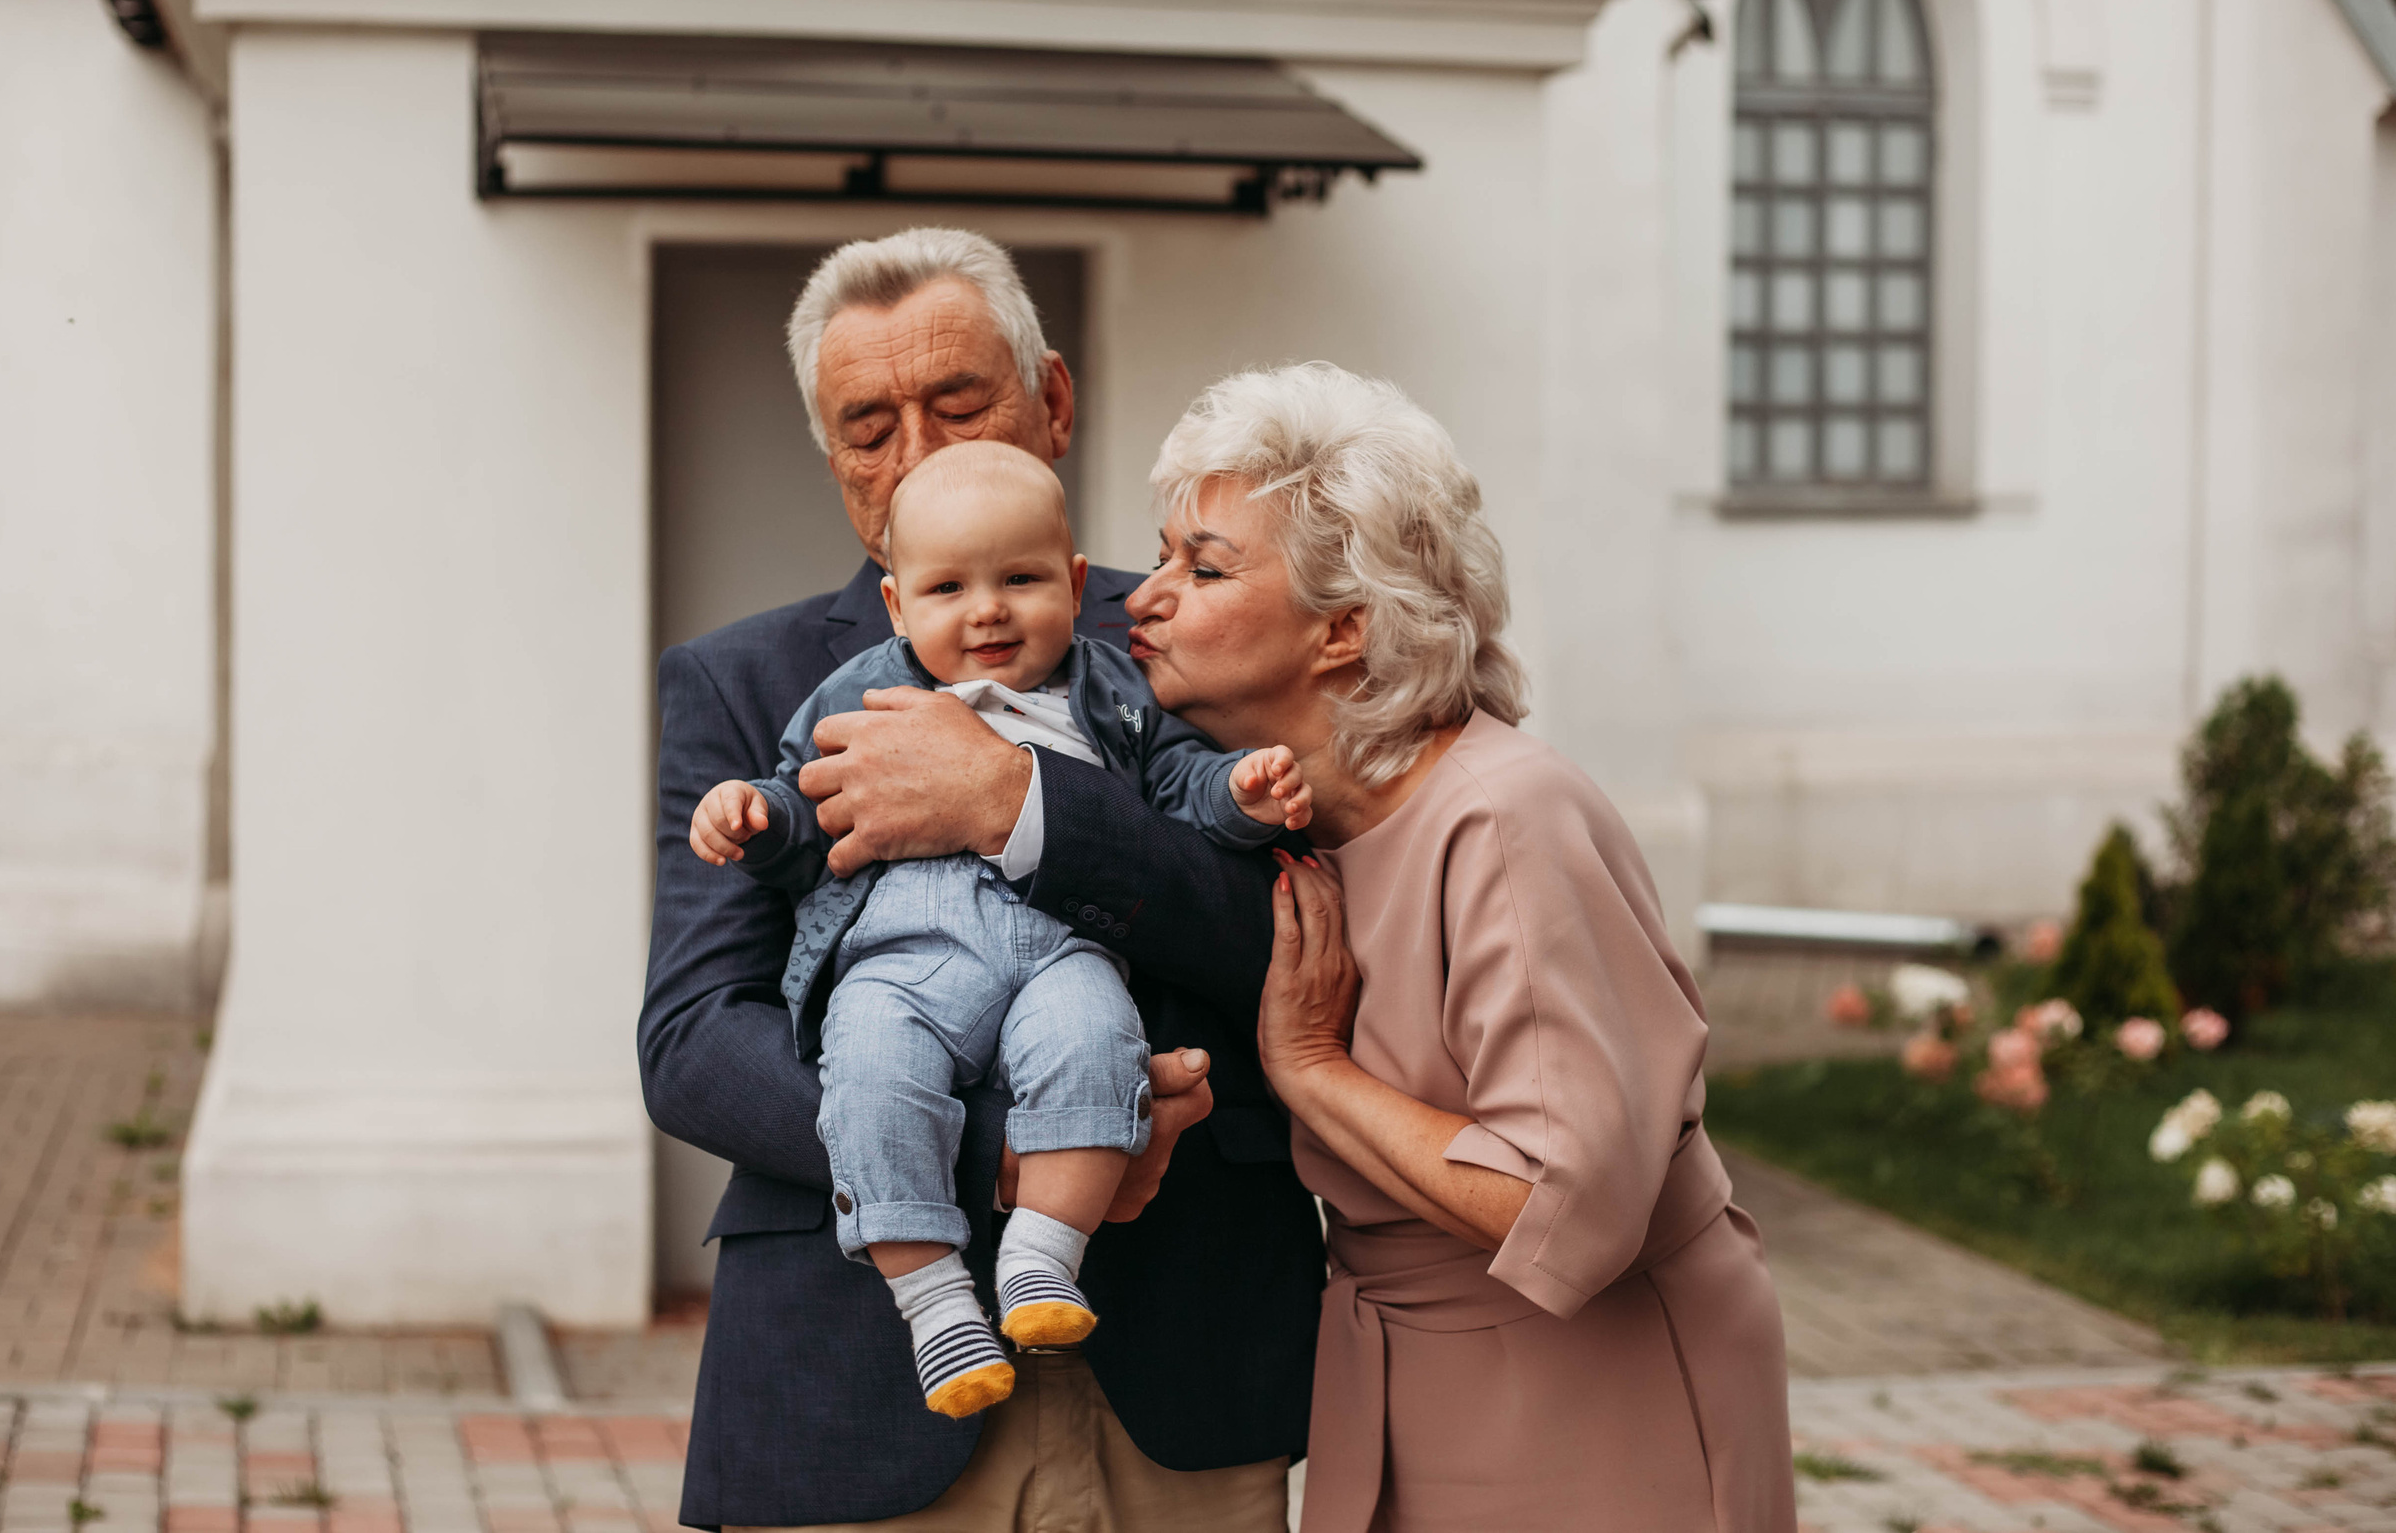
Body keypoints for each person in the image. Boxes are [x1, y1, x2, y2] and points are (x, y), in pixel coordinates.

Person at [638, 228, 1322, 1533]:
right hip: (856, 1375)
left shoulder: (1181, 634)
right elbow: (692, 1042)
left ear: (1051, 401)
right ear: (833, 458)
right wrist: (1013, 1151)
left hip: (1185, 1353)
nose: (918, 455)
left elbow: (1286, 936)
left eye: (960, 404)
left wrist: (1018, 804)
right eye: (868, 428)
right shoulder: (744, 681)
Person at [1125, 361, 1797, 1533]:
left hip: (1597, 1384)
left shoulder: (1504, 818)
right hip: (1394, 1367)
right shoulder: (1281, 820)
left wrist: (1312, 1071)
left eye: (1204, 567)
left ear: (1342, 629)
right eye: (1162, 556)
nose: (1145, 596)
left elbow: (1559, 1198)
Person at [690, 441, 1310, 1418]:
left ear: (1074, 585)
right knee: (869, 1077)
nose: (987, 610)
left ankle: (1042, 1261)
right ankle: (934, 1302)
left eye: (1020, 580)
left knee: (1097, 1041)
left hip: (1060, 952)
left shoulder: (1114, 691)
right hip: (900, 964)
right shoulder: (857, 691)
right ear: (898, 605)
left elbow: (1178, 785)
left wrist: (1238, 795)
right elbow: (805, 803)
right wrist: (758, 819)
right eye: (948, 588)